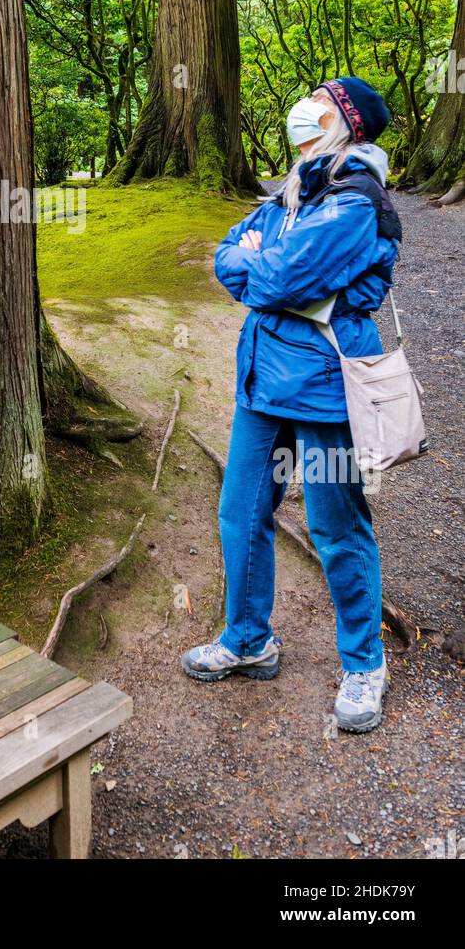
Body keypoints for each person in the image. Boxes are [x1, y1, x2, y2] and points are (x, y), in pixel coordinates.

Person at [181, 77, 402, 733]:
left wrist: (261, 267)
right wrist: (254, 264)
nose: (304, 111)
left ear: (348, 123)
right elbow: (227, 258)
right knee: (240, 514)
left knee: (335, 527)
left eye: (322, 103)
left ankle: (363, 665)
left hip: (324, 386)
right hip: (260, 381)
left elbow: (276, 276)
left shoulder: (356, 198)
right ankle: (248, 638)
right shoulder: (291, 188)